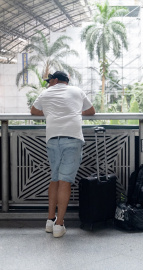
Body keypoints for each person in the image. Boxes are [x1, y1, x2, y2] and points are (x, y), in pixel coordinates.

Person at [31, 71, 95, 238]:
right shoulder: (77, 91)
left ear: (56, 80)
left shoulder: (45, 93)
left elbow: (34, 111)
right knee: (64, 181)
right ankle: (59, 225)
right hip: (72, 137)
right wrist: (74, 112)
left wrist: (50, 113)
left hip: (52, 139)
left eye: (49, 81)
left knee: (54, 179)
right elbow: (91, 111)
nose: (48, 84)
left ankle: (49, 221)